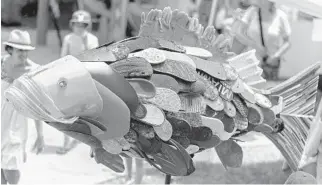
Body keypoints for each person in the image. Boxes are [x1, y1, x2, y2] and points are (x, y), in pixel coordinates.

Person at [1, 29, 45, 184]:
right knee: (1, 171)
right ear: (10, 49)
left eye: (26, 51)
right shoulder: (0, 63)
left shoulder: (34, 71)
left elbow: (37, 104)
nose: (24, 54)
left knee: (11, 166)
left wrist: (40, 135)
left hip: (18, 125)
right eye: (20, 50)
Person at [57, 10, 99, 154]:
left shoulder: (92, 39)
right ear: (72, 25)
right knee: (67, 111)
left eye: (82, 25)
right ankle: (66, 142)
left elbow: (94, 59)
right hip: (70, 77)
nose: (79, 27)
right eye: (76, 24)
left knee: (90, 113)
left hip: (86, 78)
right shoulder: (68, 38)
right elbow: (62, 58)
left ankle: (93, 146)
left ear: (87, 26)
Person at [230, 0, 291, 80]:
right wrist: (254, 45)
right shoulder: (252, 12)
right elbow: (239, 33)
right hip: (250, 62)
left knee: (268, 88)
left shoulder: (281, 16)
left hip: (269, 64)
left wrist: (275, 56)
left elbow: (287, 42)